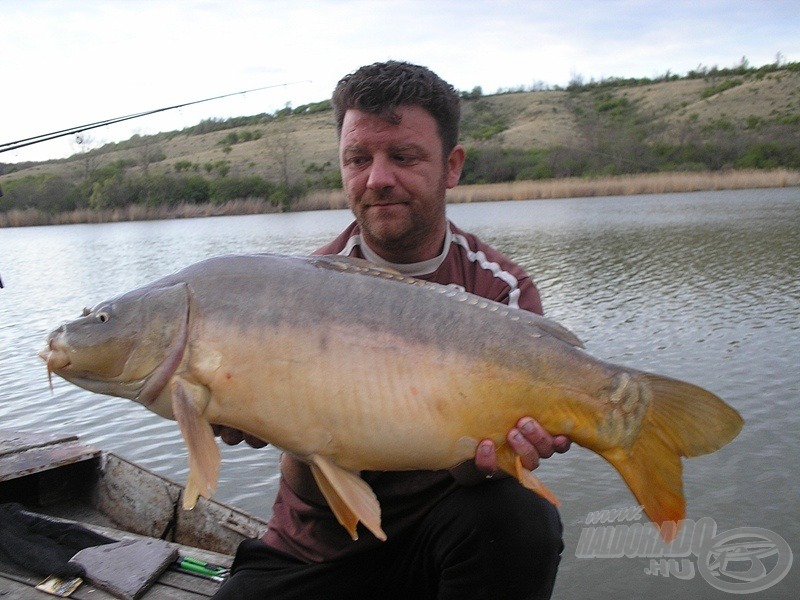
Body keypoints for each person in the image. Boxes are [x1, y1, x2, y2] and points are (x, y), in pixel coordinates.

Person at [212, 61, 570, 600]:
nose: (377, 178)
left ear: (451, 166)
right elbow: (310, 485)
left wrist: (497, 459)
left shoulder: (501, 293)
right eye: (358, 159)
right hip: (318, 546)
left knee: (520, 517)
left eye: (402, 156)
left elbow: (495, 478)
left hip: (444, 541)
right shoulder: (298, 291)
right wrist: (243, 410)